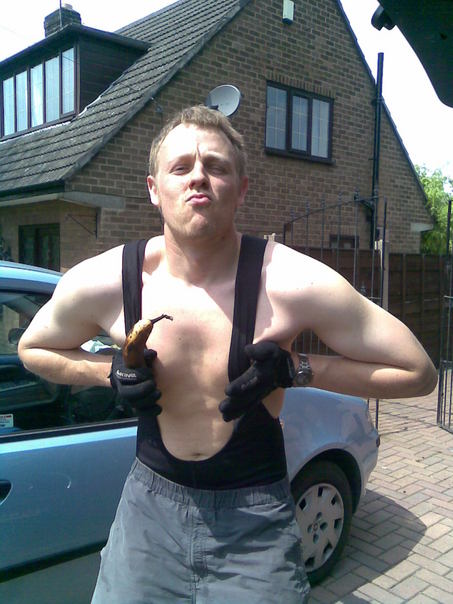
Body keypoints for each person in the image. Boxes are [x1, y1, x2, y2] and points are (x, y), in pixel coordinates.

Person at [18, 105, 437, 603]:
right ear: (154, 189)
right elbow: (33, 348)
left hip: (254, 518)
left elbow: (419, 371)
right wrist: (106, 371)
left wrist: (297, 368)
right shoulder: (108, 280)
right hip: (149, 515)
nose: (198, 176)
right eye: (180, 167)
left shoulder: (289, 280)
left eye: (215, 166)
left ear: (241, 189)